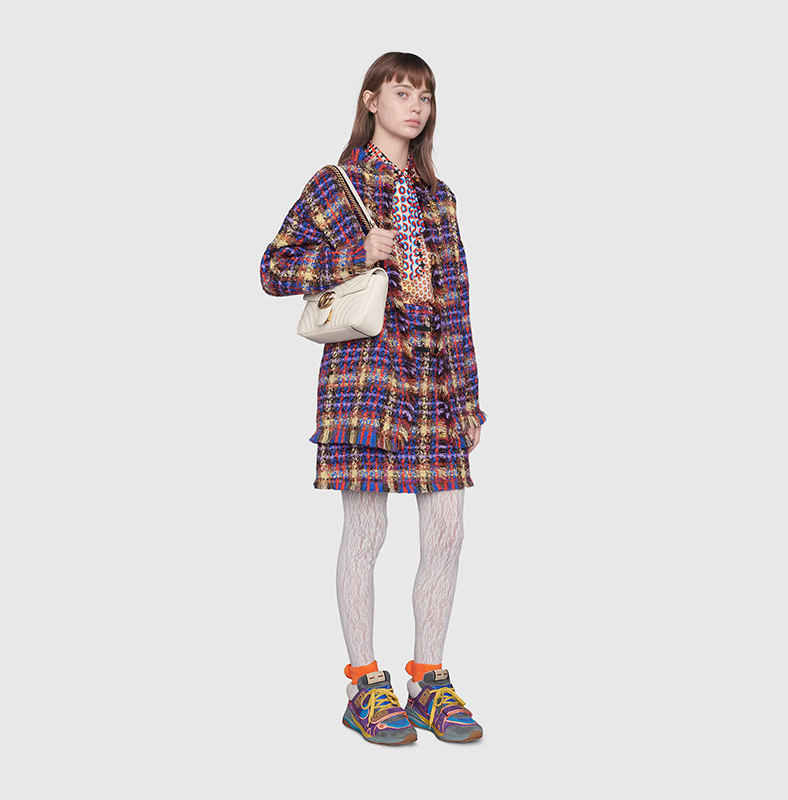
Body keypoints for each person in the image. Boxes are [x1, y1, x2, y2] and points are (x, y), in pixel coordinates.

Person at [260, 52, 487, 745]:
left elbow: (457, 304)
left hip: (433, 382)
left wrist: (469, 399)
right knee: (366, 533)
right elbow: (273, 268)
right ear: (370, 100)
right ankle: (365, 683)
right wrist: (353, 254)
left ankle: (428, 679)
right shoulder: (336, 185)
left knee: (447, 531)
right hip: (366, 381)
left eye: (425, 96)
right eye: (402, 92)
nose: (415, 106)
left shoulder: (440, 197)